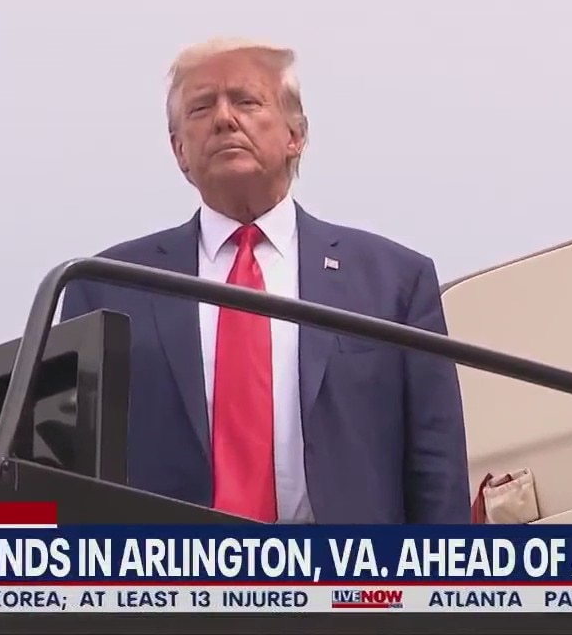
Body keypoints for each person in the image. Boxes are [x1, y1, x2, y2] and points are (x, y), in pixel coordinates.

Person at [60, 38, 470, 524]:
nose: (224, 119)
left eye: (247, 101)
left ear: (296, 134)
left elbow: (437, 471)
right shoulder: (108, 286)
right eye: (201, 107)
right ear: (179, 151)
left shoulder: (393, 281)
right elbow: (70, 478)